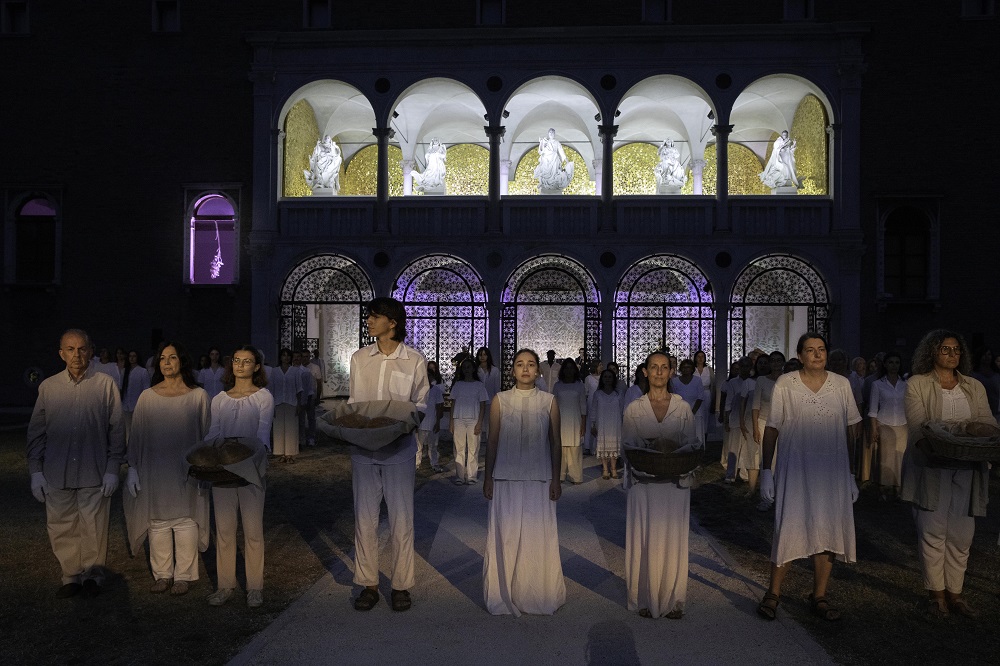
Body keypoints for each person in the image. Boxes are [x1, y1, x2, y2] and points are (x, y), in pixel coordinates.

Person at [757, 333, 862, 622]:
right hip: (796, 468)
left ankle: (819, 595)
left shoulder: (841, 385)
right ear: (800, 356)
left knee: (827, 530)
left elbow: (853, 428)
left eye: (821, 349)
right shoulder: (785, 384)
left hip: (832, 472)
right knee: (789, 525)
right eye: (810, 350)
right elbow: (772, 427)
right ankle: (773, 592)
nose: (817, 354)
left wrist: (852, 473)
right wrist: (766, 470)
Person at [900, 330, 996, 618]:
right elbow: (917, 425)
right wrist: (934, 450)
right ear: (932, 352)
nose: (952, 355)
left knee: (962, 534)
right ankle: (936, 596)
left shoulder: (973, 386)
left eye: (956, 350)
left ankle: (956, 595)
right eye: (945, 349)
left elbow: (986, 421)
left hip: (968, 467)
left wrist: (987, 437)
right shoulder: (917, 384)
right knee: (932, 531)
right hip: (932, 467)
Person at [27, 329, 125, 598]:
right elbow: (36, 432)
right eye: (70, 349)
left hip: (94, 470)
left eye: (82, 349)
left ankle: (94, 574)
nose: (76, 355)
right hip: (57, 472)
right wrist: (36, 471)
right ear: (61, 354)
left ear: (90, 351)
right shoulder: (48, 388)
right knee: (61, 524)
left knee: (93, 525)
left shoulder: (105, 385)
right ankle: (70, 575)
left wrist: (112, 469)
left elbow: (116, 429)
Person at [349, 297, 429, 613]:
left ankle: (400, 585)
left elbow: (421, 405)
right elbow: (355, 401)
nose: (368, 321)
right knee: (364, 519)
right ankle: (368, 584)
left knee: (401, 520)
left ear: (392, 322)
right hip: (363, 450)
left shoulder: (414, 360)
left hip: (399, 450)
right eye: (368, 316)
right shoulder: (359, 358)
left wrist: (398, 425)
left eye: (374, 316)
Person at [482, 349, 565, 616]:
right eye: (520, 364)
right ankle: (504, 591)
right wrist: (487, 477)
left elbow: (555, 443)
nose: (526, 369)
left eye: (531, 364)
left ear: (538, 371)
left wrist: (556, 479)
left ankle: (537, 593)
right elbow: (492, 440)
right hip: (505, 477)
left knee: (536, 536)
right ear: (512, 370)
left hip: (539, 478)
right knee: (505, 536)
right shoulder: (500, 400)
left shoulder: (549, 401)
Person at [124, 341, 210, 596]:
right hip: (155, 470)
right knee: (158, 519)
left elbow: (207, 434)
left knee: (185, 518)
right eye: (163, 358)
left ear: (181, 361)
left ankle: (183, 574)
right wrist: (132, 467)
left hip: (187, 471)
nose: (167, 362)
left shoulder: (198, 397)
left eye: (172, 357)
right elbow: (137, 434)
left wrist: (206, 467)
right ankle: (162, 573)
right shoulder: (147, 397)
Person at [622, 351, 701, 619]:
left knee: (672, 538)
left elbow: (693, 444)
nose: (658, 372)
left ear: (671, 372)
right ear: (645, 371)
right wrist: (654, 450)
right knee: (643, 538)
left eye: (663, 367)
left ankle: (673, 598)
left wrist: (670, 450)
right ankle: (642, 597)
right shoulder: (634, 409)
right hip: (644, 485)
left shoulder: (683, 408)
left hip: (674, 484)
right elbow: (628, 447)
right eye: (653, 367)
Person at [204, 345, 273, 608]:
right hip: (222, 470)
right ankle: (225, 585)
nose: (240, 365)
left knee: (253, 531)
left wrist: (251, 460)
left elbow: (263, 433)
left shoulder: (263, 398)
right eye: (236, 360)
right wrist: (207, 457)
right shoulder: (219, 399)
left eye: (247, 361)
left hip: (251, 469)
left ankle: (255, 586)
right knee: (224, 530)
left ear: (256, 367)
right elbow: (214, 432)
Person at [868, 352, 908, 500]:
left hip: (902, 424)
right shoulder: (877, 384)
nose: (894, 366)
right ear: (885, 364)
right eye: (890, 362)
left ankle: (898, 488)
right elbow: (873, 409)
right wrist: (874, 429)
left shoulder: (905, 384)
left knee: (900, 457)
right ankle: (883, 489)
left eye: (897, 362)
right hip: (884, 423)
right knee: (885, 457)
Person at [751, 351, 785, 511]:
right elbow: (755, 405)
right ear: (770, 363)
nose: (776, 363)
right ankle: (766, 497)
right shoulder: (762, 380)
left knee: (782, 460)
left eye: (779, 360)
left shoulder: (788, 380)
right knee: (767, 460)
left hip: (785, 425)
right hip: (764, 423)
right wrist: (755, 428)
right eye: (773, 360)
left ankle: (781, 495)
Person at [449, 358, 488, 485]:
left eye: (469, 367)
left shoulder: (479, 385)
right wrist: (451, 422)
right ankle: (460, 476)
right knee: (459, 448)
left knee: (473, 448)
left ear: (473, 369)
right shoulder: (458, 385)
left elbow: (483, 405)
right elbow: (453, 403)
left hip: (474, 419)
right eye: (464, 367)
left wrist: (480, 422)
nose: (467, 370)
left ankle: (471, 476)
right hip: (458, 419)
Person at [553, 358, 587, 484]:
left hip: (575, 420)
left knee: (575, 448)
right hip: (560, 420)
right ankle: (560, 475)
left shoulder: (580, 385)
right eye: (566, 368)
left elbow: (583, 405)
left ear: (575, 370)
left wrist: (583, 424)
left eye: (571, 368)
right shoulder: (558, 385)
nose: (568, 370)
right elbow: (554, 404)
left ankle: (575, 476)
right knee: (560, 448)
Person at [589, 368, 624, 480]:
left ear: (613, 379)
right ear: (602, 379)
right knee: (603, 446)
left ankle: (613, 469)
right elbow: (593, 409)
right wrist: (593, 425)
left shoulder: (618, 394)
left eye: (610, 377)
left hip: (615, 424)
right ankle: (605, 469)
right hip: (602, 424)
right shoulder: (597, 394)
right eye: (605, 377)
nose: (607, 379)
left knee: (614, 447)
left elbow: (622, 409)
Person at [270, 348, 302, 463]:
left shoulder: (295, 371)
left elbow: (299, 389)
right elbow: (271, 389)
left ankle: (290, 454)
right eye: (284, 355)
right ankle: (281, 452)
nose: (286, 358)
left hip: (291, 402)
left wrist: (299, 404)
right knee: (279, 428)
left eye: (288, 355)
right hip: (278, 402)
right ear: (280, 357)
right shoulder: (274, 371)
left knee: (291, 429)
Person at [669, 359, 707, 444]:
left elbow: (700, 397)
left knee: (697, 435)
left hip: (696, 412)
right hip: (680, 413)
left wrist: (692, 412)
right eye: (684, 367)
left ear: (692, 369)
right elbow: (673, 397)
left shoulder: (697, 380)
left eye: (688, 367)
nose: (686, 369)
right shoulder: (675, 381)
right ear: (681, 369)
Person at [416, 362, 445, 472]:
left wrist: (437, 422)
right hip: (421, 423)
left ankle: (434, 463)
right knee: (419, 447)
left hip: (432, 423)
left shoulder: (436, 390)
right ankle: (416, 464)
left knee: (433, 446)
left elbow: (439, 407)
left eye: (429, 376)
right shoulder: (418, 390)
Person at [121, 349, 151, 442]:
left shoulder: (143, 371)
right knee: (126, 430)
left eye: (134, 356)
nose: (132, 358)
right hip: (126, 405)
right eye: (130, 356)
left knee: (137, 430)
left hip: (138, 405)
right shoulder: (125, 371)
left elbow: (146, 389)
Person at [476, 347, 501, 444]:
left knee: (490, 426)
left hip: (490, 402)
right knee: (477, 425)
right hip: (477, 403)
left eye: (484, 355)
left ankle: (490, 447)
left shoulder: (494, 371)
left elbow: (496, 388)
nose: (482, 357)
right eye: (480, 355)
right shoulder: (476, 370)